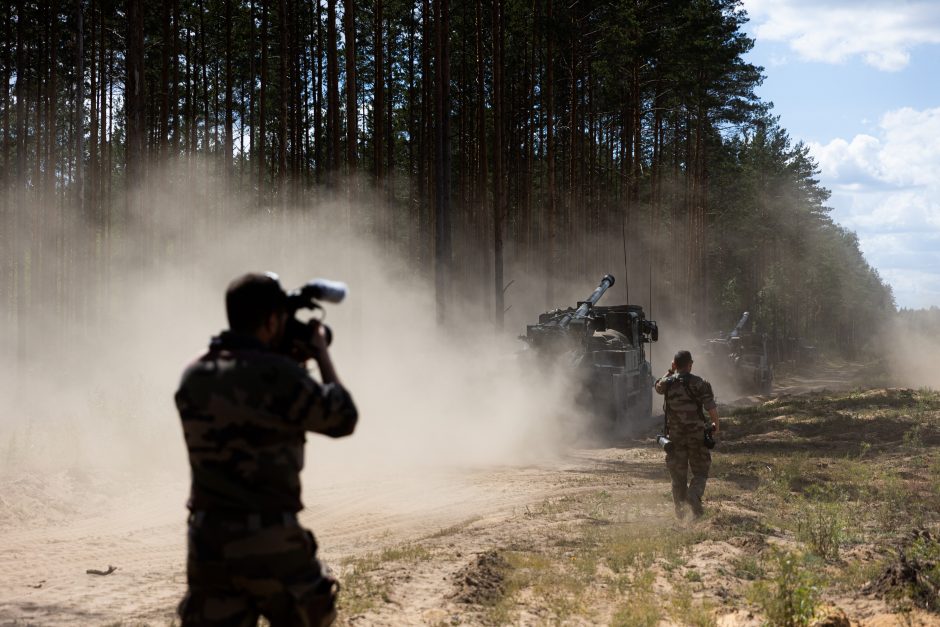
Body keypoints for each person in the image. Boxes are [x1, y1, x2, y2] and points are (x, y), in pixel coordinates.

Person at [175, 272, 358, 626]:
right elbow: (343, 418)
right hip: (271, 541)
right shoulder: (281, 377)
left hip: (208, 542)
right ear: (273, 320)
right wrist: (319, 353)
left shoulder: (194, 375)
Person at [654, 350, 719, 519]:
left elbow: (657, 385)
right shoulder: (700, 383)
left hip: (674, 437)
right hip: (697, 436)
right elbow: (711, 407)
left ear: (675, 365)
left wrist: (670, 370)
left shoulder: (666, 383)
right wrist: (715, 426)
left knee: (678, 476)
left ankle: (681, 514)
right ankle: (694, 496)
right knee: (700, 472)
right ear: (690, 365)